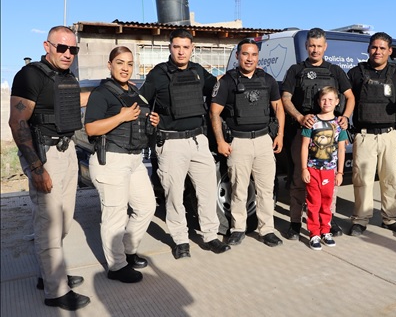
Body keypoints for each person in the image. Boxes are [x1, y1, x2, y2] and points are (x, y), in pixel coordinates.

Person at [8, 26, 90, 310]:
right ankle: (56, 291)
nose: (68, 54)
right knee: (49, 224)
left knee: (64, 222)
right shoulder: (29, 75)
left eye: (73, 49)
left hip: (67, 153)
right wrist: (37, 168)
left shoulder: (67, 76)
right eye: (62, 48)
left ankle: (49, 273)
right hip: (45, 155)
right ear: (47, 46)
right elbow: (17, 123)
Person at [140, 29, 230, 258]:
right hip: (171, 143)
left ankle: (210, 235)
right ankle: (180, 240)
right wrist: (150, 118)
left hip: (198, 141)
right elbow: (141, 103)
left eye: (185, 47)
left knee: (207, 191)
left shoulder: (199, 71)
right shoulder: (158, 74)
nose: (181, 51)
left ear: (192, 49)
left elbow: (220, 90)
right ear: (170, 47)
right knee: (174, 195)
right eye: (176, 47)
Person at [84, 46, 158, 283]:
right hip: (111, 161)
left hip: (134, 159)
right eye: (120, 63)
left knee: (146, 206)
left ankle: (126, 251)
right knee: (114, 216)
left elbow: (137, 121)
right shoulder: (101, 93)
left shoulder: (134, 92)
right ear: (110, 65)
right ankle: (116, 267)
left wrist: (151, 120)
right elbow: (91, 128)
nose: (125, 68)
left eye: (129, 64)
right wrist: (121, 117)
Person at [281, 27, 355, 240]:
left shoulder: (335, 71)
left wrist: (345, 118)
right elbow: (286, 98)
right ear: (306, 46)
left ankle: (327, 223)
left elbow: (350, 97)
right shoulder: (296, 70)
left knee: (328, 183)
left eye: (319, 46)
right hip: (303, 133)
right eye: (311, 46)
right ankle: (295, 223)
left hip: (330, 134)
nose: (315, 50)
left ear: (325, 47)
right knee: (299, 179)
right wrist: (299, 117)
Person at [210, 38, 285, 247]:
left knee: (266, 189)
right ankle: (238, 229)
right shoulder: (226, 81)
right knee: (239, 189)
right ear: (237, 56)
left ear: (258, 57)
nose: (249, 58)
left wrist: (279, 135)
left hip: (263, 141)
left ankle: (267, 230)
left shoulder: (268, 80)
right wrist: (220, 141)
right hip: (239, 143)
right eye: (245, 54)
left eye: (253, 54)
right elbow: (214, 112)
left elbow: (279, 108)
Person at [346, 32, 396, 236]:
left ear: (390, 51)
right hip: (364, 136)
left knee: (391, 179)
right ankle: (361, 219)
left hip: (390, 134)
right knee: (362, 180)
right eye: (374, 47)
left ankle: (390, 219)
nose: (378, 51)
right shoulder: (356, 73)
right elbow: (347, 100)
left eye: (382, 48)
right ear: (368, 49)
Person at [300, 86, 347, 250]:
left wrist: (340, 172)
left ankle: (325, 231)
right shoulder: (311, 122)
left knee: (327, 203)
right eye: (323, 99)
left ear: (337, 102)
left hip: (330, 170)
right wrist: (304, 169)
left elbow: (341, 149)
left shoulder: (339, 124)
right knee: (313, 203)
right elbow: (305, 146)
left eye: (330, 99)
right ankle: (314, 233)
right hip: (312, 169)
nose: (327, 103)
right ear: (319, 101)